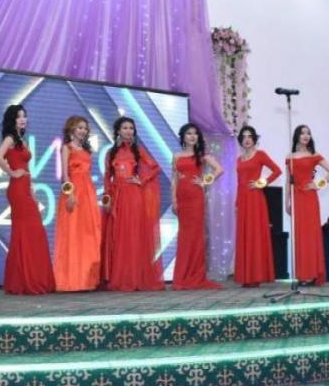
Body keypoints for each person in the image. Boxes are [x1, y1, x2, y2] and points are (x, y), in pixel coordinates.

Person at [0, 104, 55, 294]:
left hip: (26, 188)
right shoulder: (10, 138)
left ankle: (27, 278)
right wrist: (12, 172)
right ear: (12, 120)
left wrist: (32, 190)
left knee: (31, 231)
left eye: (24, 116)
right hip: (17, 189)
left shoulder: (21, 139)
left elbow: (27, 168)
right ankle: (26, 280)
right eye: (19, 116)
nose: (23, 119)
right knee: (26, 231)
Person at [101, 116, 165, 291]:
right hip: (117, 197)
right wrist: (106, 199)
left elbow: (156, 168)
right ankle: (122, 276)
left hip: (134, 196)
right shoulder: (111, 153)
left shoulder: (138, 151)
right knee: (120, 237)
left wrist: (141, 180)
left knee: (134, 236)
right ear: (118, 131)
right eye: (125, 128)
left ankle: (136, 277)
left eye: (131, 128)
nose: (129, 131)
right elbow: (107, 177)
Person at [171, 123, 223, 290]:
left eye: (195, 133)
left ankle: (194, 276)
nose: (192, 136)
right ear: (183, 137)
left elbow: (219, 169)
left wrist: (204, 181)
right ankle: (182, 277)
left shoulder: (202, 155)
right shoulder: (176, 156)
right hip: (182, 198)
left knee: (195, 237)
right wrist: (174, 200)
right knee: (184, 237)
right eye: (189, 133)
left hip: (195, 198)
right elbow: (174, 179)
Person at [53, 116, 101, 292]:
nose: (83, 131)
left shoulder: (87, 150)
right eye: (80, 127)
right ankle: (71, 279)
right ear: (72, 129)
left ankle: (86, 279)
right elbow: (65, 175)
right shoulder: (66, 148)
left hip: (88, 193)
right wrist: (70, 193)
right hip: (74, 191)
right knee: (72, 234)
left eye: (85, 128)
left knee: (87, 235)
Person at [285, 125, 329, 285]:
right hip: (297, 198)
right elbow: (288, 181)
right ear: (297, 136)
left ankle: (312, 274)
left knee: (311, 235)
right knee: (300, 236)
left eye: (308, 133)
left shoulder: (314, 155)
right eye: (302, 133)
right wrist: (287, 202)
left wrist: (318, 185)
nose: (306, 136)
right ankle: (303, 274)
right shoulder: (290, 157)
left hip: (310, 198)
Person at [235, 125, 282, 287]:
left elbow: (277, 171)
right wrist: (236, 202)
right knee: (244, 236)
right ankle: (246, 276)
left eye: (250, 136)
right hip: (242, 200)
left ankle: (256, 276)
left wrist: (261, 183)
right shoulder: (239, 159)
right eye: (244, 137)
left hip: (255, 199)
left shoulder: (260, 154)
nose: (247, 139)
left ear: (254, 139)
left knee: (255, 235)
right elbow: (239, 182)